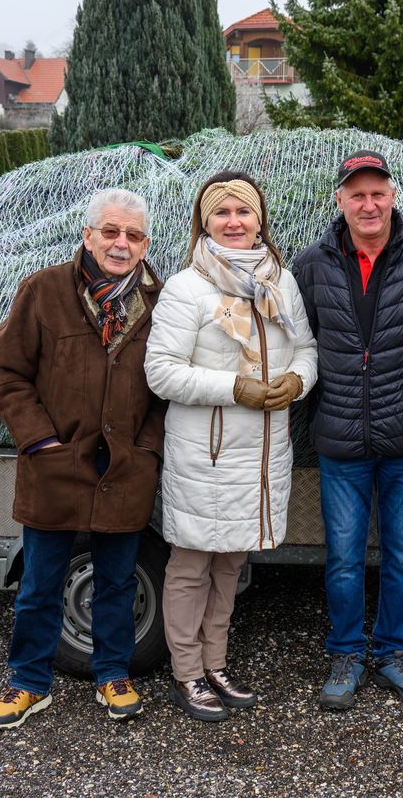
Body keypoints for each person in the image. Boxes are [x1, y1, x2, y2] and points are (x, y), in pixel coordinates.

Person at [0, 188, 165, 729]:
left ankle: (112, 674)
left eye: (133, 235)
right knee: (40, 585)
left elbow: (167, 389)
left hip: (124, 469)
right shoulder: (44, 290)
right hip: (55, 466)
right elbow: (7, 370)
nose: (121, 243)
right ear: (88, 236)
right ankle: (28, 682)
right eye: (110, 231)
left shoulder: (160, 303)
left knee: (117, 582)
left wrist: (147, 448)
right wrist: (39, 441)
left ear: (145, 244)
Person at [144, 171, 317, 722]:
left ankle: (214, 664)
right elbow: (161, 372)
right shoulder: (187, 288)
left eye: (244, 211)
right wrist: (235, 388)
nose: (234, 222)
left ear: (259, 220)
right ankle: (186, 673)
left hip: (261, 456)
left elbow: (306, 349)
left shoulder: (279, 282)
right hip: (207, 455)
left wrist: (297, 381)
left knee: (230, 564)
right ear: (205, 222)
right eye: (222, 212)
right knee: (192, 563)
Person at [294, 150, 403, 710]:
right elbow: (299, 343)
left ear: (393, 196)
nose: (369, 205)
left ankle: (393, 652)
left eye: (378, 193)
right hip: (340, 437)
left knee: (402, 555)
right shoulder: (311, 264)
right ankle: (345, 654)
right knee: (343, 558)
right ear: (340, 200)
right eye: (357, 195)